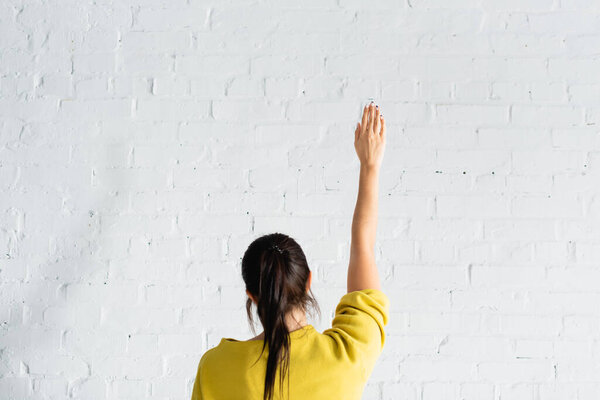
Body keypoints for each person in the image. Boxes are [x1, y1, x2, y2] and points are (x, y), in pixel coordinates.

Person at [191, 102, 389, 400]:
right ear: (308, 280)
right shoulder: (347, 356)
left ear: (252, 295)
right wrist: (369, 167)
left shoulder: (215, 368)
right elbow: (363, 246)